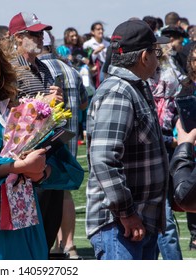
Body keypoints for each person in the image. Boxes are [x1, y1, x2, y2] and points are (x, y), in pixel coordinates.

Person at [0, 29, 83, 260]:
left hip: (23, 208)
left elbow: (63, 166)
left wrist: (41, 171)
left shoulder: (18, 109)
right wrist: (17, 167)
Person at [86, 19, 170, 260]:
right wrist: (126, 212)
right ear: (144, 56)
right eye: (156, 51)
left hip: (135, 223)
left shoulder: (133, 87)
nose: (158, 57)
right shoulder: (119, 92)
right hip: (120, 226)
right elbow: (104, 159)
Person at [8, 12, 81, 255]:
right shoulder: (9, 69)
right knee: (31, 230)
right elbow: (7, 112)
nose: (41, 37)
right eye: (34, 33)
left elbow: (48, 110)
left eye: (42, 33)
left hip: (47, 155)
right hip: (25, 161)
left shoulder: (42, 67)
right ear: (18, 38)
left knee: (49, 223)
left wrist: (55, 105)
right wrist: (42, 104)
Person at [38, 31, 88, 259]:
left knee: (46, 193)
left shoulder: (37, 70)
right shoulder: (70, 69)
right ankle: (68, 244)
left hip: (47, 141)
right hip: (68, 137)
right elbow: (85, 101)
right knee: (64, 191)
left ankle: (50, 245)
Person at [147, 44, 183, 260]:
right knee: (165, 217)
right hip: (156, 151)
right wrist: (171, 141)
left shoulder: (170, 76)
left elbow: (176, 111)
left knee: (166, 214)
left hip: (170, 149)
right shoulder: (141, 84)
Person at [176, 43, 196, 250]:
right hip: (190, 141)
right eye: (194, 59)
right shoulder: (186, 85)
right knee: (190, 190)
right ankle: (195, 233)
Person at [82, 22, 110, 89]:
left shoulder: (107, 44)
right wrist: (95, 52)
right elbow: (86, 59)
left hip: (105, 70)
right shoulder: (88, 44)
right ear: (92, 32)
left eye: (102, 29)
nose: (101, 31)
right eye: (98, 29)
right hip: (93, 71)